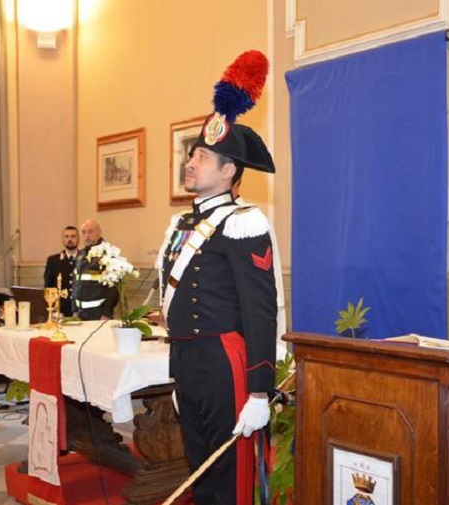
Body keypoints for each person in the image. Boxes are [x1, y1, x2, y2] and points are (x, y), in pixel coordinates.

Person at [157, 50, 279, 504]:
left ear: (228, 171)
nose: (190, 162)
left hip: (224, 362)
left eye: (202, 156)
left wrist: (259, 391)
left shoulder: (243, 223)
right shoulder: (181, 225)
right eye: (192, 154)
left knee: (229, 472)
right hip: (187, 362)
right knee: (200, 464)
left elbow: (260, 311)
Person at [72, 218, 118, 320]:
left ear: (99, 232)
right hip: (80, 315)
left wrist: (106, 313)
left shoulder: (108, 254)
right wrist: (74, 310)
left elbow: (113, 288)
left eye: (90, 231)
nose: (87, 236)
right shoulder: (81, 255)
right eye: (83, 232)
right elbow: (76, 283)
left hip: (98, 315)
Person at [43, 225, 79, 316]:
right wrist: (53, 307)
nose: (70, 239)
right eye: (66, 236)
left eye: (73, 236)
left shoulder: (85, 259)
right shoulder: (53, 261)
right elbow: (49, 285)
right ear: (62, 240)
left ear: (78, 239)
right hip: (61, 309)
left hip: (80, 310)